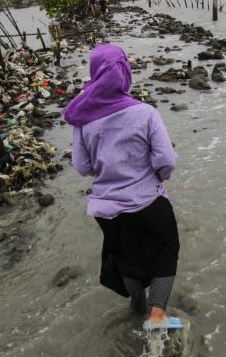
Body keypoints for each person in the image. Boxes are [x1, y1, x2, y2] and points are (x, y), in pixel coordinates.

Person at [63, 44, 183, 330]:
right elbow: (166, 159)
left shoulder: (83, 118)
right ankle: (157, 316)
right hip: (147, 202)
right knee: (166, 248)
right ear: (125, 72)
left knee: (126, 257)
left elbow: (82, 167)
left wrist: (106, 165)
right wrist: (158, 176)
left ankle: (137, 306)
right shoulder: (145, 113)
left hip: (107, 209)